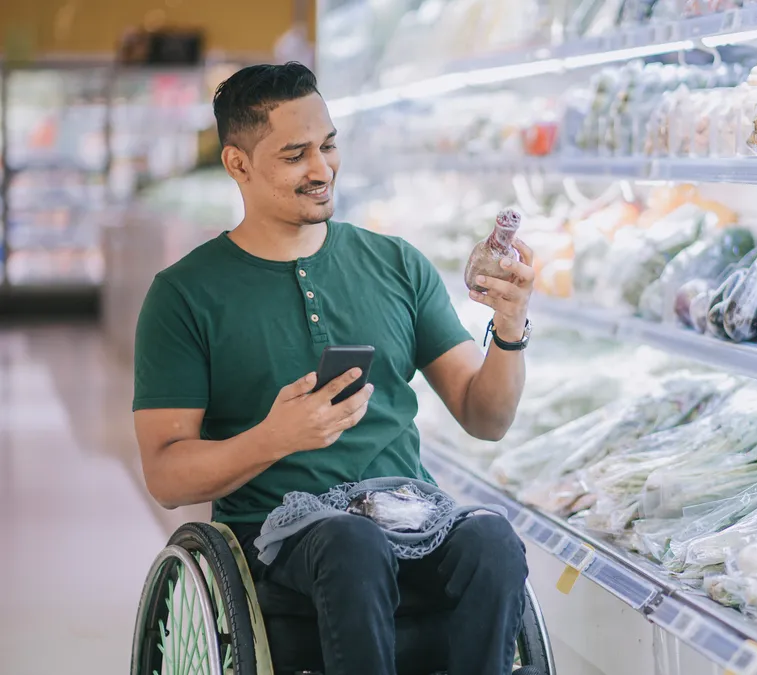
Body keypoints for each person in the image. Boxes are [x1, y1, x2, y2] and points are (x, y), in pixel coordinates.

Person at [131, 62, 538, 675]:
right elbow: (165, 475)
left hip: (411, 516)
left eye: (328, 145)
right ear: (238, 164)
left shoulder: (397, 263)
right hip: (279, 544)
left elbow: (487, 417)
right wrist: (275, 439)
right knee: (351, 544)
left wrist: (509, 329)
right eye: (295, 155)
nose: (322, 170)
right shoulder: (185, 295)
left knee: (492, 539)